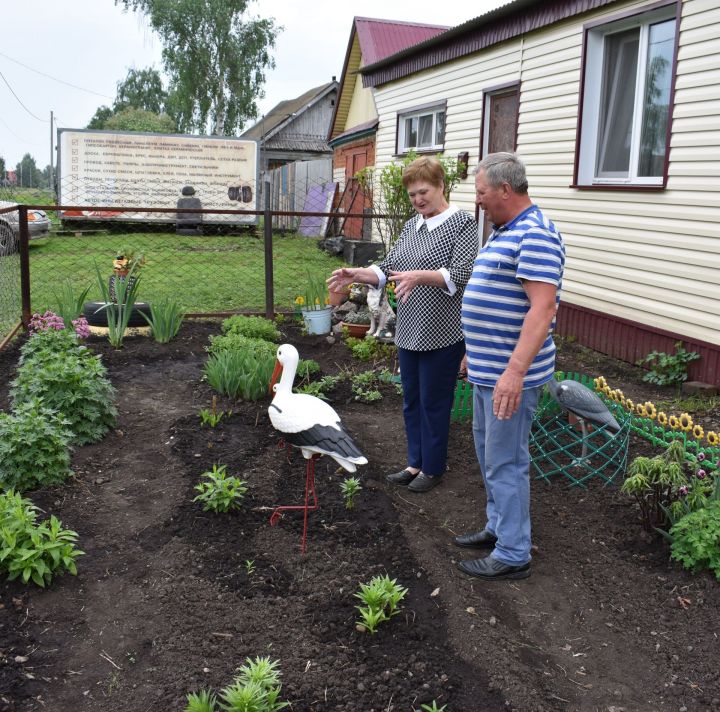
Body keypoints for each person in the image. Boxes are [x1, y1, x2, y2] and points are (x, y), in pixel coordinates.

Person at [328, 156, 478, 493]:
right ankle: (414, 463)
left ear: (441, 186)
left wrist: (420, 276)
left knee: (434, 402)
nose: (418, 200)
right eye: (412, 195)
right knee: (411, 400)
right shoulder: (413, 225)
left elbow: (462, 273)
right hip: (409, 328)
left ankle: (434, 467)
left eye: (423, 192)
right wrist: (358, 274)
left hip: (443, 330)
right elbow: (389, 267)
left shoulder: (463, 224)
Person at [455, 152, 565, 580]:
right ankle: (499, 527)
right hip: (488, 369)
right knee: (489, 456)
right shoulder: (505, 231)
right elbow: (496, 299)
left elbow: (542, 310)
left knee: (506, 461)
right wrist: (473, 350)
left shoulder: (535, 234)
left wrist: (515, 371)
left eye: (481, 192)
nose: (478, 200)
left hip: (508, 376)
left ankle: (514, 551)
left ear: (504, 189)